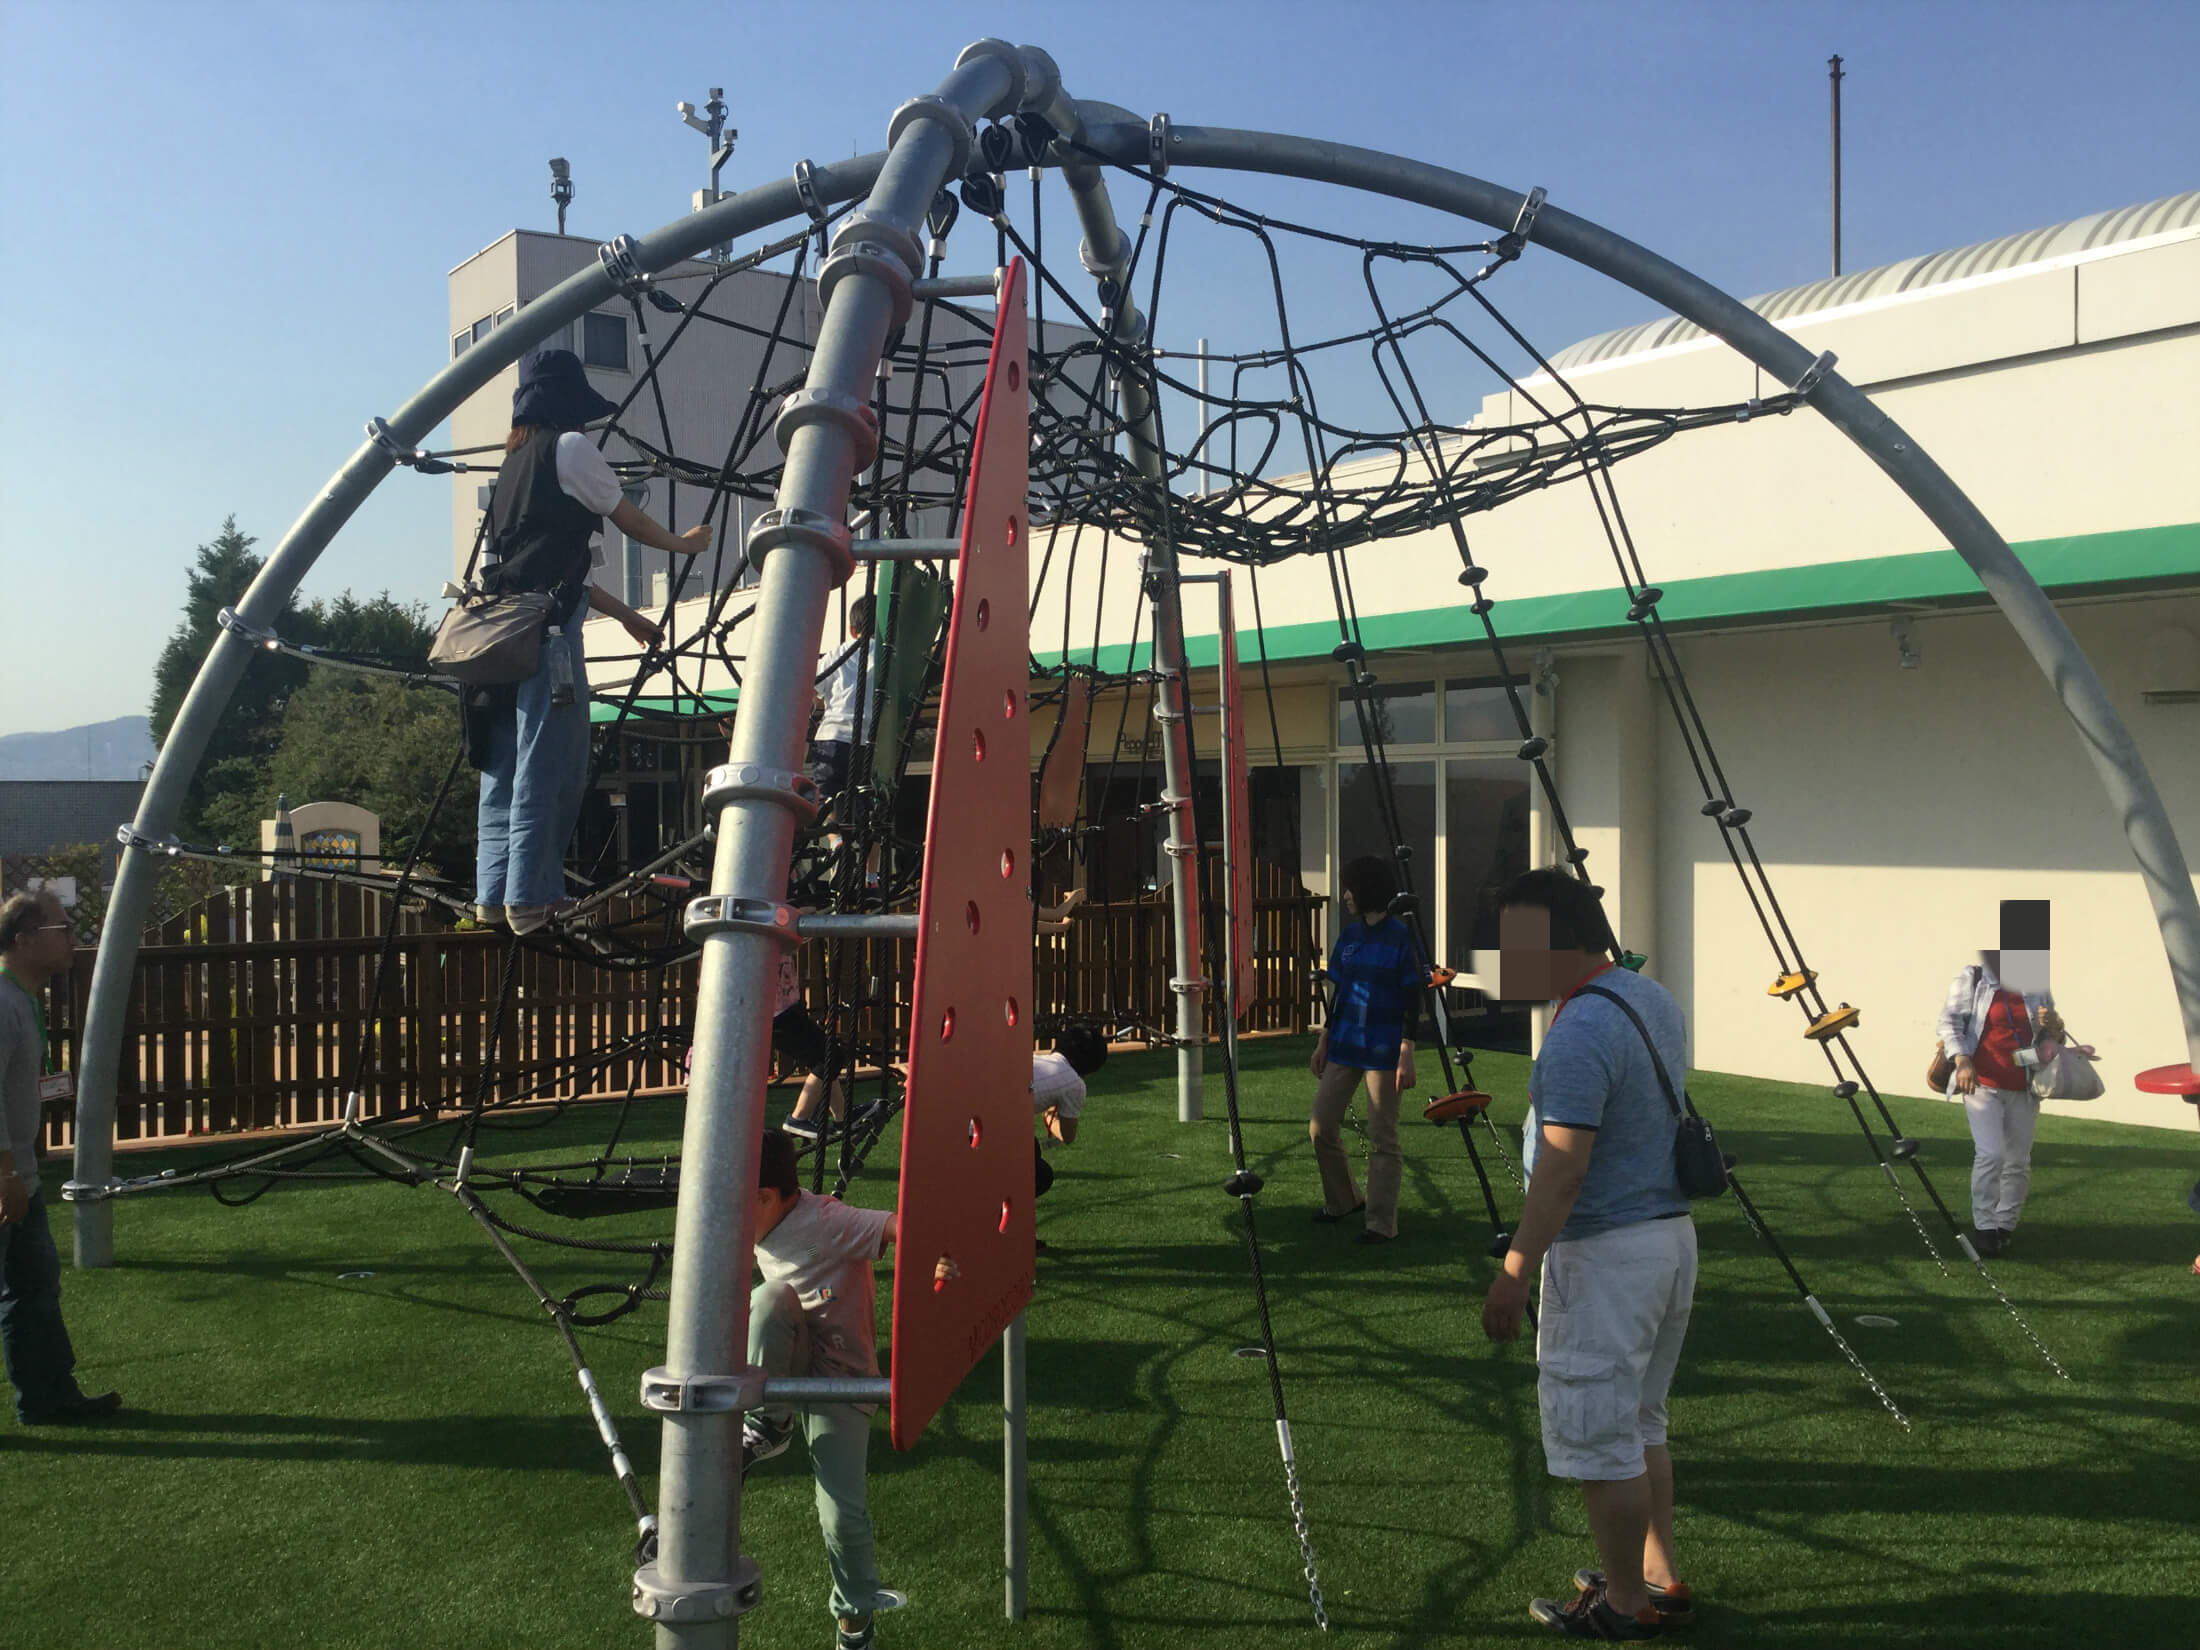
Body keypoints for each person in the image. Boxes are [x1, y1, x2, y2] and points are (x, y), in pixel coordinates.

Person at [1480, 869, 1697, 1640]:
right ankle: (1657, 1575)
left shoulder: (1578, 1031)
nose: (1504, 961)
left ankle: (1626, 1605)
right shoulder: (1650, 998)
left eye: (1514, 943)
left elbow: (1564, 1168)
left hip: (1607, 1255)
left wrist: (1515, 1269)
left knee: (1602, 1438)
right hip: (1668, 1237)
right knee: (1640, 1422)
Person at [471, 347, 710, 935]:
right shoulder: (569, 448)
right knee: (549, 760)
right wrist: (684, 545)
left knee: (503, 765)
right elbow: (628, 517)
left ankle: (493, 893)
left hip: (499, 634)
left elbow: (544, 567)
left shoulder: (512, 467)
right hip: (549, 634)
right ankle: (532, 898)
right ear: (567, 403)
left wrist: (627, 616)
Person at [743, 1130, 950, 1650]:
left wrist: (936, 1254)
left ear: (766, 1197)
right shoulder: (756, 1223)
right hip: (792, 1359)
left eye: (735, 1201)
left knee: (840, 1515)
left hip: (843, 1377)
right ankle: (770, 1423)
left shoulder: (826, 1221)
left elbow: (894, 1225)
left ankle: (854, 1621)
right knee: (768, 1301)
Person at [0, 891, 122, 1426]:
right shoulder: (2, 1004)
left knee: (34, 1288)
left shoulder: (21, 999)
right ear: (25, 939)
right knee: (30, 1288)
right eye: (63, 928)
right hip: (7, 1178)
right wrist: (5, 1173)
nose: (74, 938)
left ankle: (49, 1397)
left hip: (20, 1176)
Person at [1307, 855, 1421, 1243]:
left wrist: (1407, 1049)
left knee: (1382, 1138)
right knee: (1321, 1126)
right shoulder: (1350, 937)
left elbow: (1412, 998)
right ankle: (1344, 1200)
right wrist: (1324, 1039)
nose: (1345, 896)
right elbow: (1340, 993)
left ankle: (1380, 1224)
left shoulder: (1402, 937)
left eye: (1350, 887)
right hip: (1344, 1044)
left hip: (1384, 1050)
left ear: (1368, 889)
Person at [1937, 947, 2060, 1258]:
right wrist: (1962, 1060)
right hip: (1981, 1082)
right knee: (1991, 1154)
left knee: (2018, 1161)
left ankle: (2005, 1224)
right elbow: (1949, 1022)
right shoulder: (1975, 977)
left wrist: (2053, 1024)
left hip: (2024, 1084)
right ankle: (1985, 1226)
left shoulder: (2037, 984)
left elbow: (2051, 1040)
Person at [809, 595, 879, 817]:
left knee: (826, 799)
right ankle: (861, 837)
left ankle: (833, 833)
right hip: (867, 742)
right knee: (864, 806)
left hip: (832, 737)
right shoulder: (887, 656)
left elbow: (809, 688)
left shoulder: (837, 655)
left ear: (851, 629)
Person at [1031, 1024, 1108, 1222]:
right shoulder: (1074, 1084)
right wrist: (1049, 1115)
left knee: (1032, 1148)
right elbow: (1067, 1135)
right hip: (988, 1128)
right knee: (1041, 1176)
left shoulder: (1037, 1058)